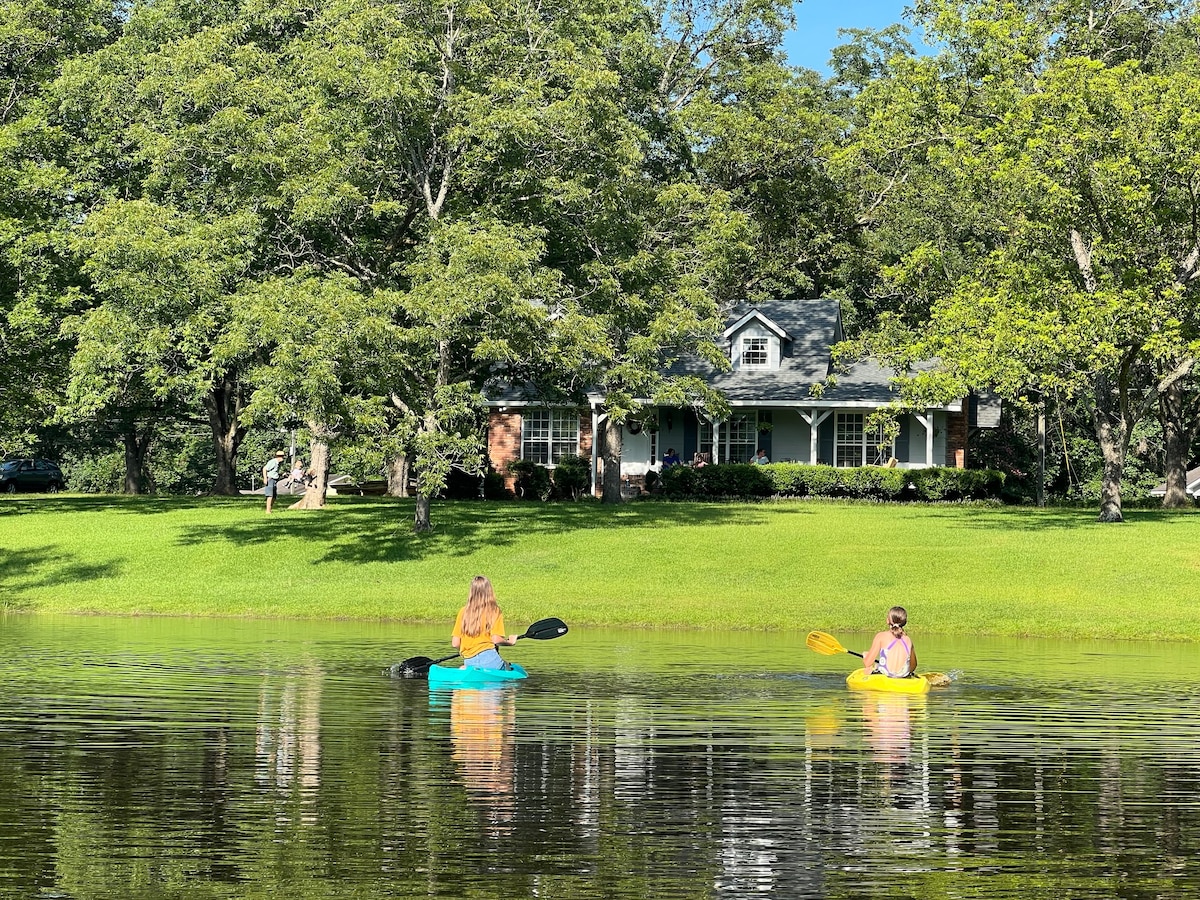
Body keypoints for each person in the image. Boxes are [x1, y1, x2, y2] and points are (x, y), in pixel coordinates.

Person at [451, 576, 518, 670]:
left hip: (469, 660)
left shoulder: (463, 612)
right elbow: (496, 639)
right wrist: (510, 642)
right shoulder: (494, 610)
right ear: (489, 591)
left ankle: (468, 669)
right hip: (490, 659)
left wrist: (466, 651)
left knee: (468, 670)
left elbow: (455, 643)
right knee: (511, 669)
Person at [863, 606, 918, 678]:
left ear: (887, 620)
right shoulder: (908, 640)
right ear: (904, 622)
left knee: (867, 665)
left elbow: (867, 663)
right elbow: (913, 666)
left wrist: (865, 656)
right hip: (903, 676)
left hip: (885, 675)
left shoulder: (881, 636)